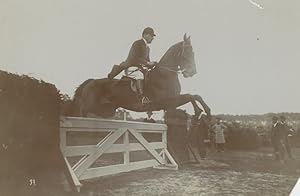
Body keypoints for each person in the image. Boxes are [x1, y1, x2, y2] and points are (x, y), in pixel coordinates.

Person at [107, 27, 157, 103]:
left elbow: (147, 61)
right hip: (130, 67)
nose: (153, 38)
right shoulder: (137, 43)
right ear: (145, 35)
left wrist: (152, 64)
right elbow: (135, 58)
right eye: (151, 36)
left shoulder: (147, 48)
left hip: (138, 68)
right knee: (140, 75)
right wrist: (147, 63)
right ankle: (142, 98)